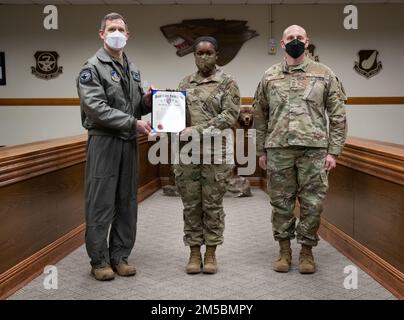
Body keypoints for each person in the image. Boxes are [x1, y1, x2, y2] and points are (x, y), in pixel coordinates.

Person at [253, 25, 347, 274]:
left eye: (300, 38)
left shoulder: (324, 74)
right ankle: (284, 252)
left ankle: (306, 251)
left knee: (312, 204)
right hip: (279, 149)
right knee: (280, 203)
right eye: (290, 38)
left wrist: (333, 151)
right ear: (282, 44)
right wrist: (261, 151)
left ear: (307, 42)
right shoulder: (269, 76)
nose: (295, 41)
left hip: (314, 150)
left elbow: (337, 115)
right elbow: (259, 116)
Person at [77, 13, 152, 281]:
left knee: (127, 201)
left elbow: (134, 106)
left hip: (128, 142)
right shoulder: (92, 68)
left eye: (121, 29)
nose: (116, 32)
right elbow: (96, 109)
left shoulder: (132, 68)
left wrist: (147, 101)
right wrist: (134, 122)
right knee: (100, 202)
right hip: (104, 141)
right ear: (102, 34)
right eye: (111, 29)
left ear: (128, 35)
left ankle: (120, 256)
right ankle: (99, 260)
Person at [174, 36, 240, 274]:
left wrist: (197, 130)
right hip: (188, 154)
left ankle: (210, 252)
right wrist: (163, 119)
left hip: (216, 154)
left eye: (208, 53)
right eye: (199, 53)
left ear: (217, 55)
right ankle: (193, 252)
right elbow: (177, 118)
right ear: (194, 56)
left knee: (212, 205)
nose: (204, 57)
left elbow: (229, 117)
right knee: (191, 205)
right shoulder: (185, 84)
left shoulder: (228, 83)